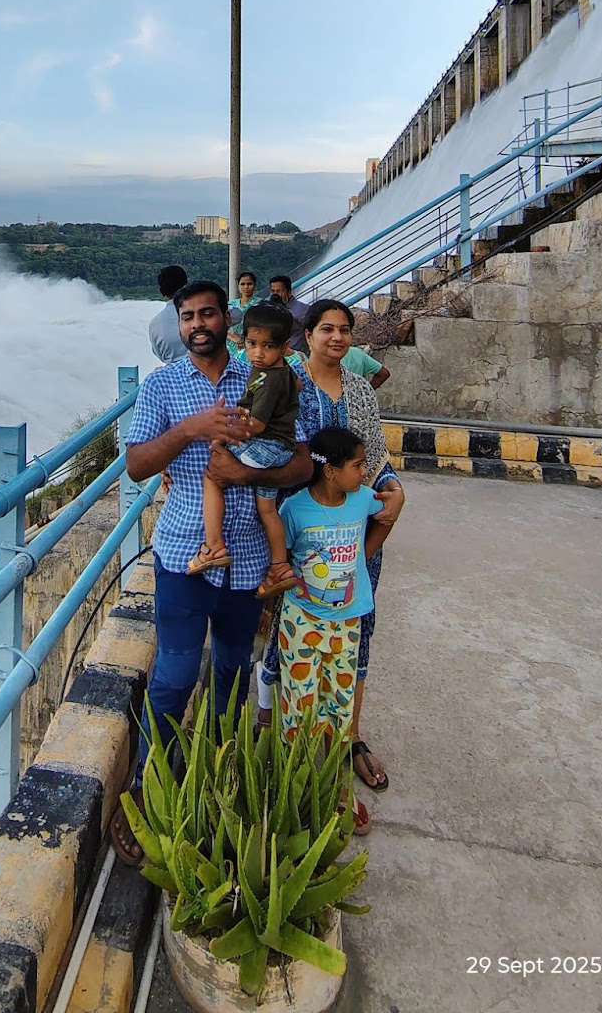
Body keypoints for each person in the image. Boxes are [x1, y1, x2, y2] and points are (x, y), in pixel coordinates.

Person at [109, 280, 312, 865]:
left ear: (229, 317)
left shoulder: (266, 375)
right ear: (180, 324)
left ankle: (218, 776)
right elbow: (136, 465)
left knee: (231, 670)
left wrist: (249, 476)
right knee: (172, 675)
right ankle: (148, 785)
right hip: (181, 552)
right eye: (188, 316)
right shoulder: (163, 386)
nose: (198, 324)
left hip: (248, 556)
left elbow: (301, 460)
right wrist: (189, 431)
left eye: (208, 314)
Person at [282, 298, 405, 794]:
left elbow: (374, 455)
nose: (337, 337)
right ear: (307, 335)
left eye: (345, 330)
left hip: (352, 532)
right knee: (293, 636)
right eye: (327, 329)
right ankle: (286, 733)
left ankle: (348, 736)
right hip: (304, 530)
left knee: (355, 631)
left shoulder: (359, 389)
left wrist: (394, 488)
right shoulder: (285, 382)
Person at [277, 426, 395, 744]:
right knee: (299, 705)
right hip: (301, 622)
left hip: (347, 622)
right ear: (330, 470)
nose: (364, 471)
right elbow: (282, 555)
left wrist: (363, 555)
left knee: (340, 705)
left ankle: (334, 789)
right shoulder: (295, 509)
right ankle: (297, 785)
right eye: (356, 465)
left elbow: (389, 512)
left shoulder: (363, 500)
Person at [186, 304, 299, 600]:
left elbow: (258, 425)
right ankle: (279, 568)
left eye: (268, 346)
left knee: (212, 474)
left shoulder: (269, 378)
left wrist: (226, 433)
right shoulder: (277, 371)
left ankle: (213, 546)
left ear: (285, 347)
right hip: (279, 446)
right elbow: (293, 388)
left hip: (267, 447)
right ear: (242, 340)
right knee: (267, 509)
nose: (258, 353)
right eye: (252, 344)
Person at [148, 265, 189, 364]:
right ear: (186, 286)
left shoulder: (155, 324)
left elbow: (159, 354)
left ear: (162, 291)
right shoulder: (205, 314)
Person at [268, 274, 310, 354]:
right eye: (273, 291)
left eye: (279, 291)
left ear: (289, 292)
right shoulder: (270, 309)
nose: (275, 294)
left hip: (297, 357)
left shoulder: (301, 310)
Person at [226, 269, 259, 353]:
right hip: (229, 343)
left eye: (249, 284)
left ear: (255, 286)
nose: (246, 287)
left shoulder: (260, 304)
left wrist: (242, 340)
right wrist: (235, 338)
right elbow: (222, 323)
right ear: (238, 286)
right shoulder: (231, 304)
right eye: (242, 284)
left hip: (249, 344)